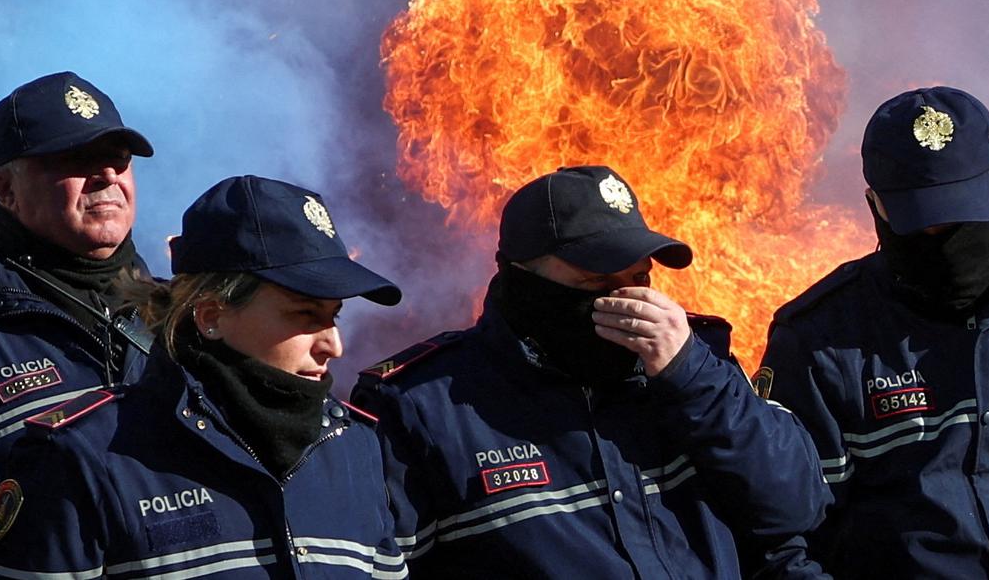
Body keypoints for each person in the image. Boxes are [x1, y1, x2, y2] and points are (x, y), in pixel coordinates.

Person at [352, 165, 831, 578]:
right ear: (522, 277)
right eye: (597, 283)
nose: (628, 302)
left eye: (639, 280)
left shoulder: (695, 365)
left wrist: (691, 377)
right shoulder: (421, 404)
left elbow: (796, 509)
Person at [757, 85, 989, 577]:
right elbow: (783, 537)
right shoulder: (818, 340)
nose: (947, 241)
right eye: (925, 226)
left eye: (963, 218)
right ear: (877, 207)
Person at [0, 175, 409, 578]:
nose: (333, 345)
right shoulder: (85, 458)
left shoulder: (356, 447)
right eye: (304, 315)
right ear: (211, 316)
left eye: (333, 316)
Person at [0, 71, 156, 578]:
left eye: (118, 159)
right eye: (75, 159)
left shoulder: (189, 321)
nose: (106, 176)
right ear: (5, 189)